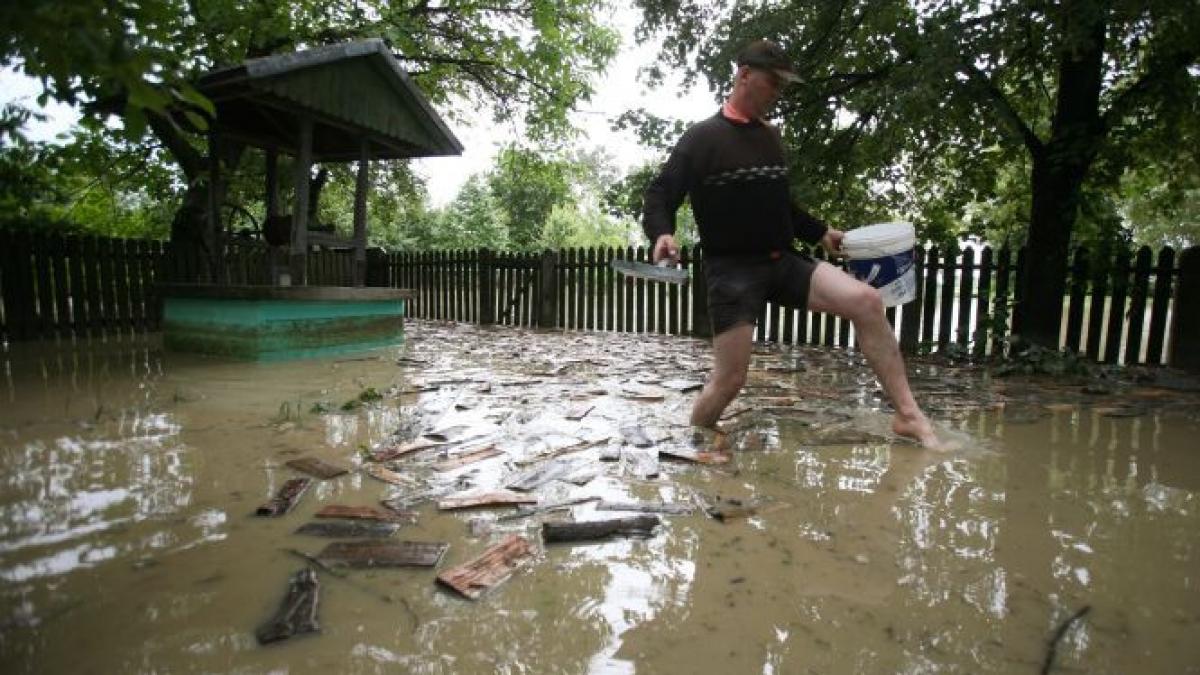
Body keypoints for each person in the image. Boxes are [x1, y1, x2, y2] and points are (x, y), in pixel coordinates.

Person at [642, 39, 942, 449]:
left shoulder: (770, 137)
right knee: (730, 381)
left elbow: (781, 205)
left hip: (783, 262)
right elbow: (660, 193)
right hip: (733, 272)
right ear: (745, 75)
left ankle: (908, 416)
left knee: (867, 301)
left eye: (783, 85)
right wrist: (661, 232)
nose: (778, 93)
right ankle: (694, 440)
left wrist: (820, 232)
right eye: (773, 82)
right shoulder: (702, 138)